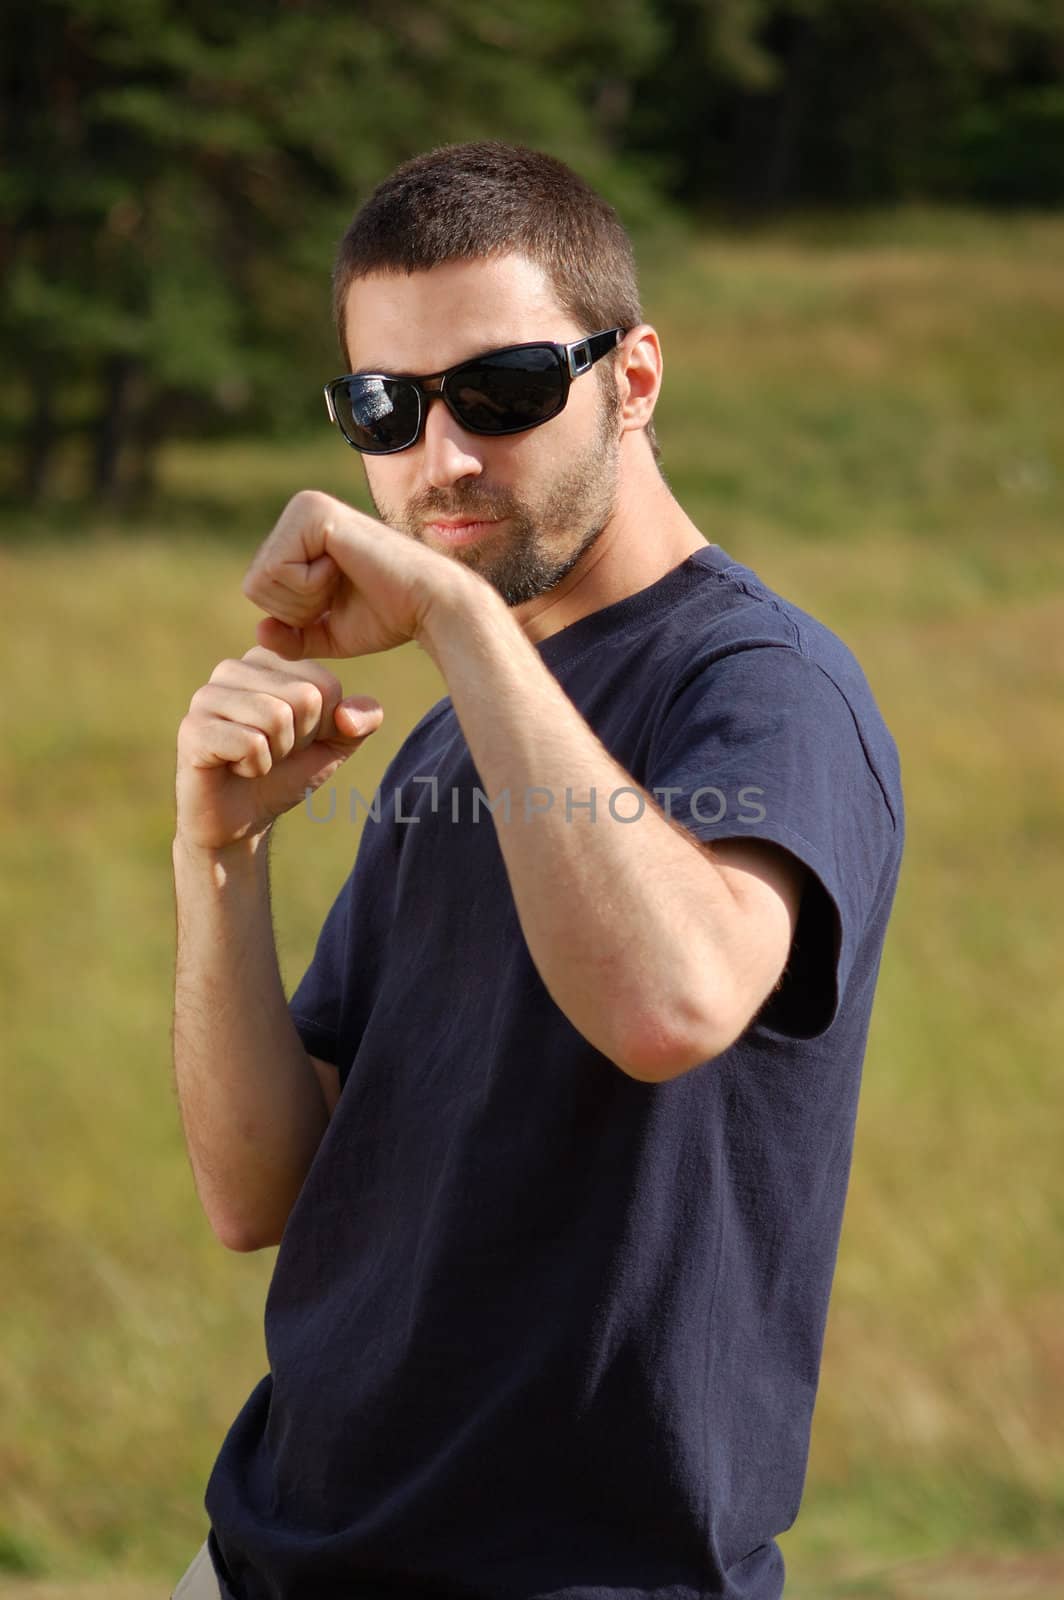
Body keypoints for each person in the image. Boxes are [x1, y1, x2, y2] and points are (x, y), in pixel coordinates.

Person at [171, 141, 904, 1600]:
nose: (438, 457)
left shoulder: (765, 686)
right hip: (267, 1558)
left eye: (502, 393)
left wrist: (451, 609)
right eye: (385, 406)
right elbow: (261, 1192)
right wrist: (220, 857)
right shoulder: (453, 744)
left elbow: (671, 1006)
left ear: (632, 378)